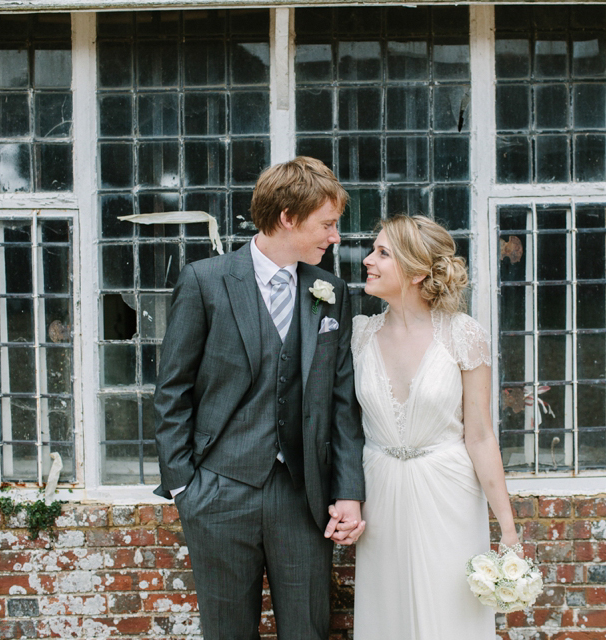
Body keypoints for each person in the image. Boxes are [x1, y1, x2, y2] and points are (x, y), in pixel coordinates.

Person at [154, 156, 366, 640]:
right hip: (218, 490)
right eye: (327, 224)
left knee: (309, 630)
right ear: (288, 216)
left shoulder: (330, 290)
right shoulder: (206, 281)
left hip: (302, 494)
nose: (335, 237)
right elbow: (172, 391)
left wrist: (348, 491)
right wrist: (185, 486)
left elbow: (342, 402)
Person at [349, 214, 520, 640]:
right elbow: (344, 428)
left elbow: (479, 435)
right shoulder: (359, 336)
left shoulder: (463, 335)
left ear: (417, 271)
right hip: (380, 493)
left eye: (383, 253)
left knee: (451, 617)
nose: (368, 260)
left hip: (449, 493)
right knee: (387, 616)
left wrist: (509, 530)